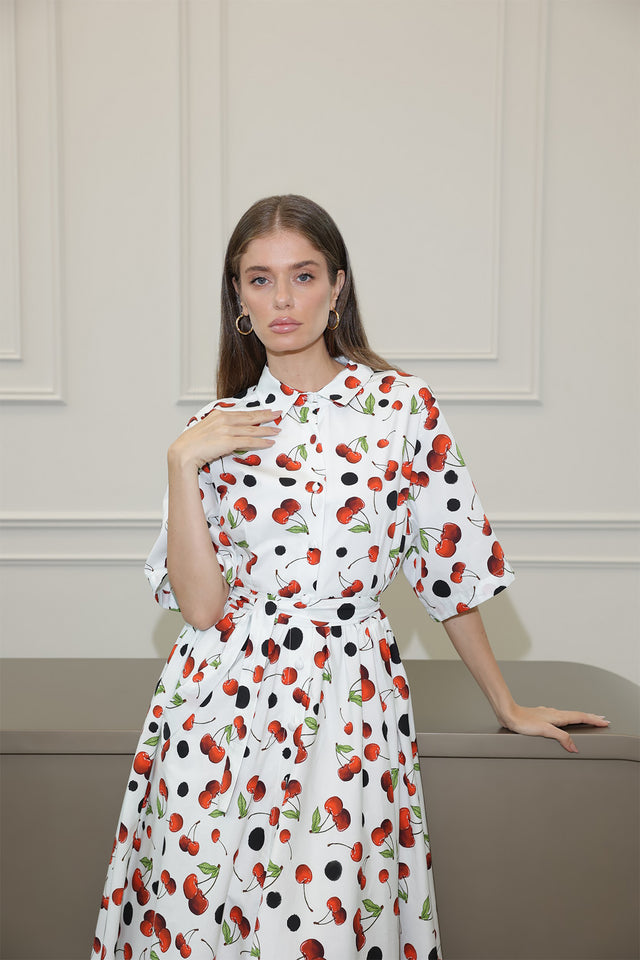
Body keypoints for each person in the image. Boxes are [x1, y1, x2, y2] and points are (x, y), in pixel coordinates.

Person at [92, 195, 608, 960]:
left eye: (302, 276)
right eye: (259, 280)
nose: (283, 299)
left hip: (348, 697)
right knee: (202, 917)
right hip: (217, 710)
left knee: (327, 918)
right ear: (237, 297)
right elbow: (201, 608)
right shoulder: (214, 428)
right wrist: (181, 459)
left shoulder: (402, 409)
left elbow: (449, 567)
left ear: (338, 287)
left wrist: (507, 701)